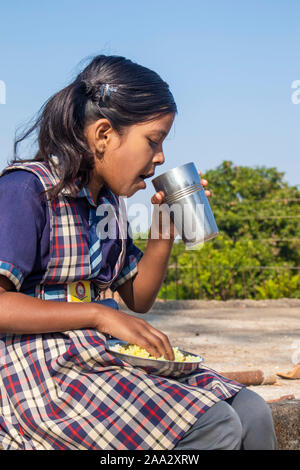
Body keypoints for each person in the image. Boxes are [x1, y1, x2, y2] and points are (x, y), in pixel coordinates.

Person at [0, 55, 276, 450]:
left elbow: (138, 297)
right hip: (40, 374)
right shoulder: (27, 190)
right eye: (153, 140)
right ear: (103, 135)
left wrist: (164, 226)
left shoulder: (107, 203)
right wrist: (98, 315)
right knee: (214, 425)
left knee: (251, 411)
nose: (160, 157)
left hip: (95, 359)